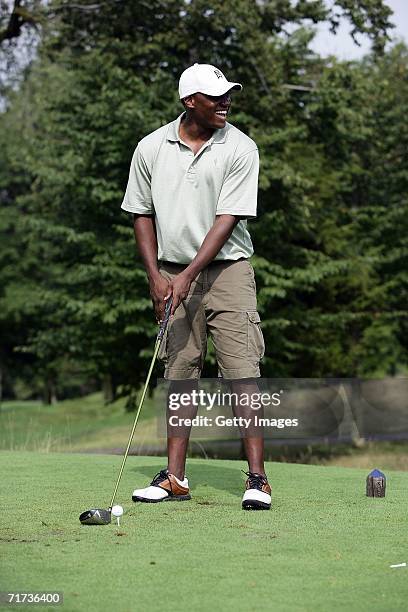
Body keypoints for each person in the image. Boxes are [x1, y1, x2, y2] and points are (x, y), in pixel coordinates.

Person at [121, 63, 271, 510]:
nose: (226, 102)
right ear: (190, 102)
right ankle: (175, 479)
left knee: (241, 370)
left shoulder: (241, 148)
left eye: (229, 94)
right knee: (179, 371)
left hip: (229, 272)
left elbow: (228, 220)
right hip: (169, 270)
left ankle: (258, 480)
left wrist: (187, 276)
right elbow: (140, 213)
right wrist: (157, 278)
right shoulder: (150, 148)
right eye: (216, 96)